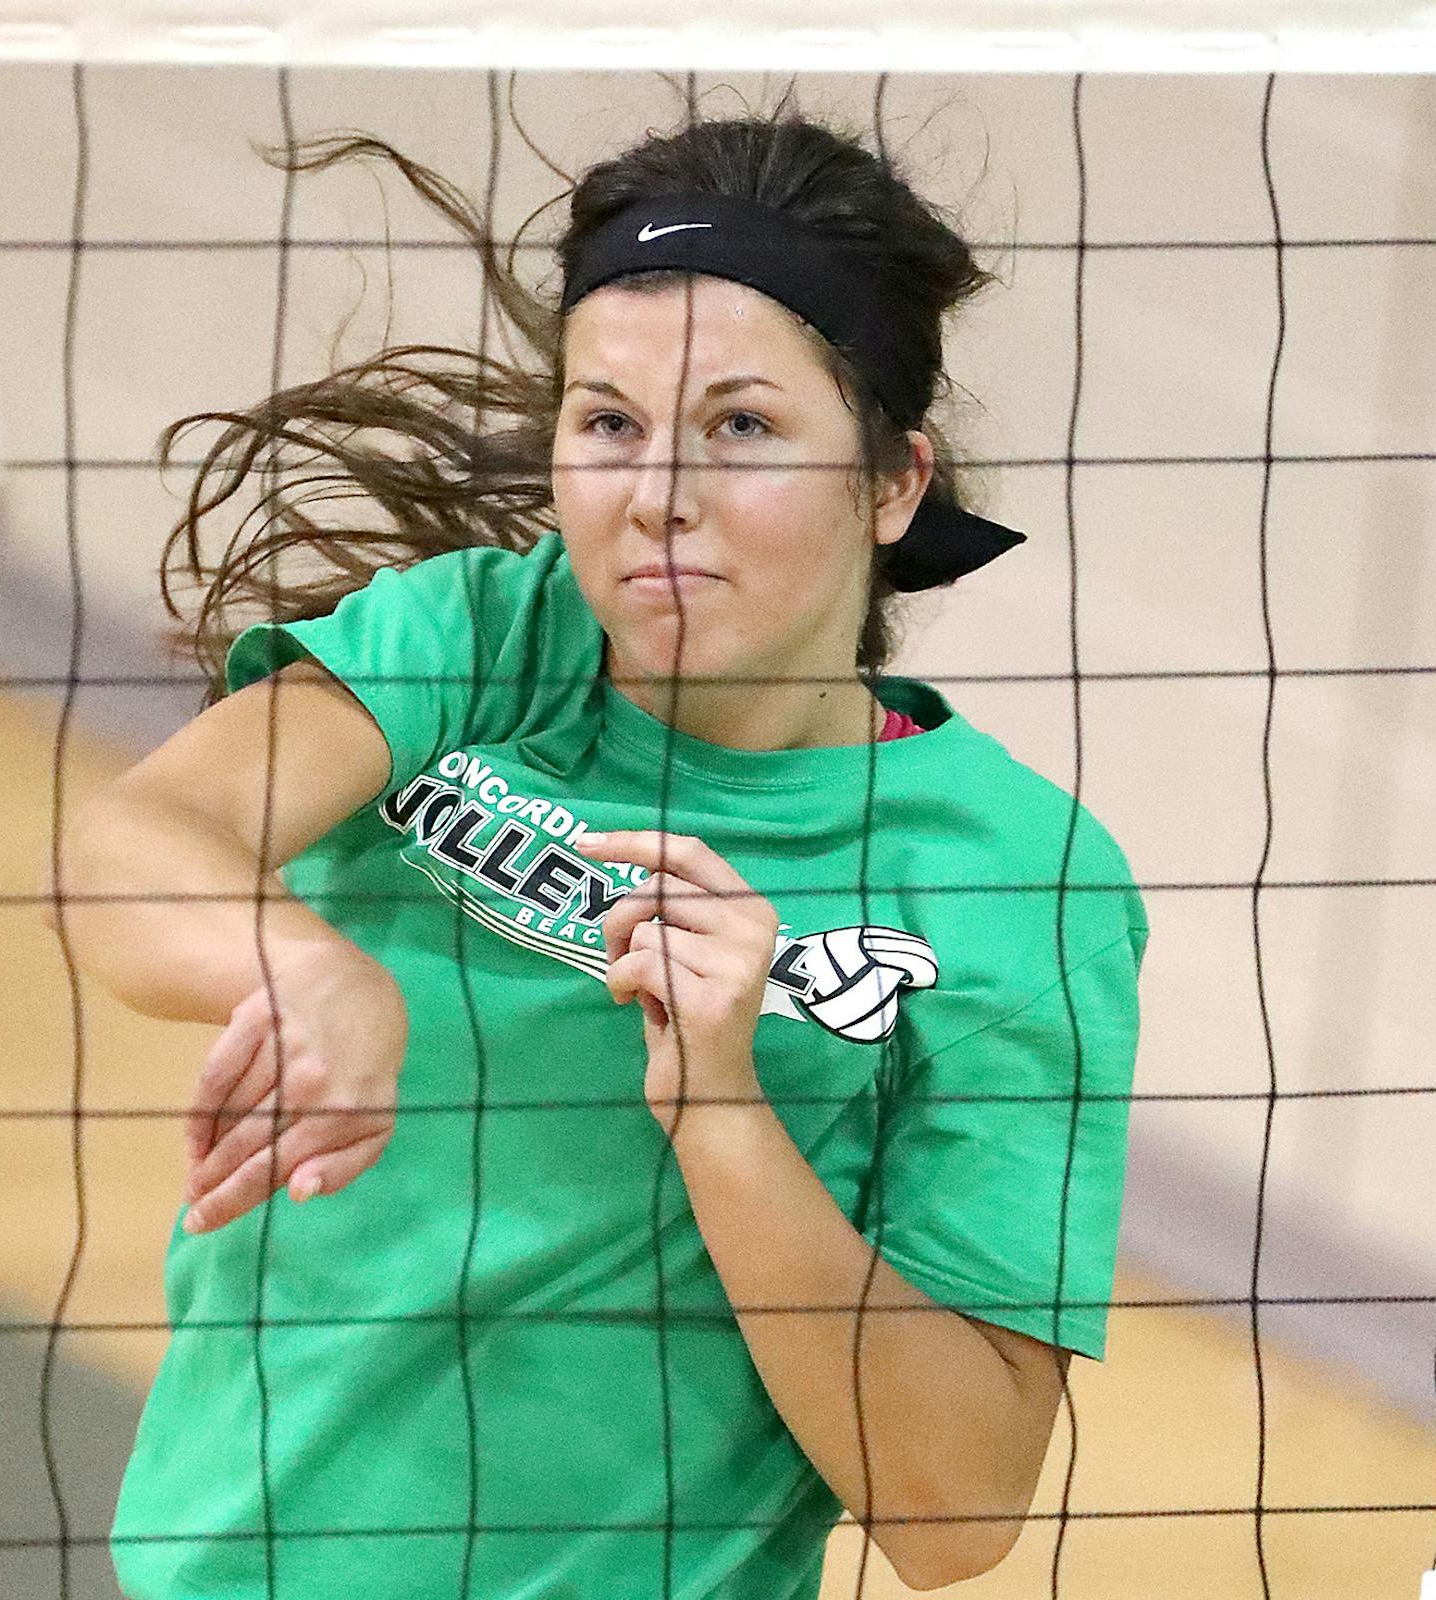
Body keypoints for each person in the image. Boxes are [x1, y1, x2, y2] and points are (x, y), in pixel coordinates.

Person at [56, 108, 1148, 1598]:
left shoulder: (1018, 876)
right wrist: (308, 972)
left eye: (745, 428)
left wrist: (722, 1107)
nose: (657, 493)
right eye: (610, 422)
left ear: (896, 484)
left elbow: (957, 1514)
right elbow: (135, 839)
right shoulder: (478, 645)